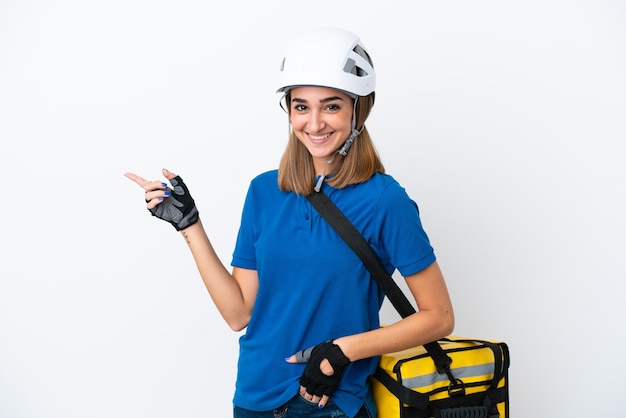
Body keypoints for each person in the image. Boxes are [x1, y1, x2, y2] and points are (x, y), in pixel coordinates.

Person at [125, 27, 454, 418]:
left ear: (357, 109)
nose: (314, 123)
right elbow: (238, 314)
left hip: (328, 401)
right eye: (301, 106)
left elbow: (439, 317)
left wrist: (342, 351)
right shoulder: (264, 191)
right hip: (252, 398)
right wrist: (189, 225)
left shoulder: (385, 200)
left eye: (331, 106)